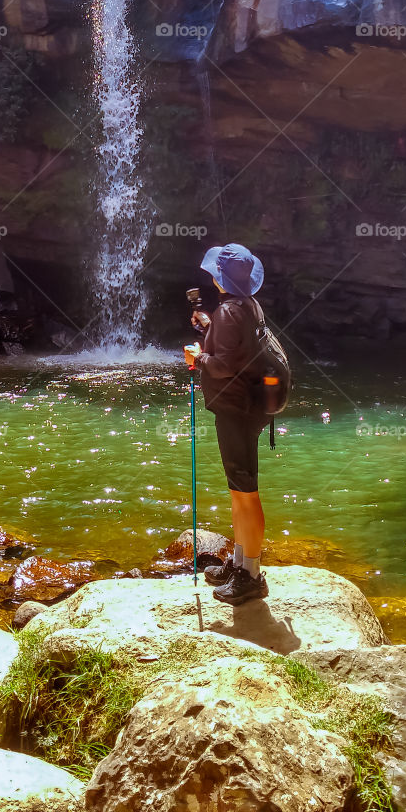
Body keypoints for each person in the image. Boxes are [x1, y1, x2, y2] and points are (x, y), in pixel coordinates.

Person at [183, 242, 269, 606]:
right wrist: (209, 325)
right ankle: (239, 563)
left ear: (221, 278)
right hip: (245, 407)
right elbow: (236, 350)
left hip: (238, 410)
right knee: (239, 490)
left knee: (245, 493)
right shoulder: (243, 306)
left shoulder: (231, 312)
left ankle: (251, 576)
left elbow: (224, 365)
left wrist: (198, 357)